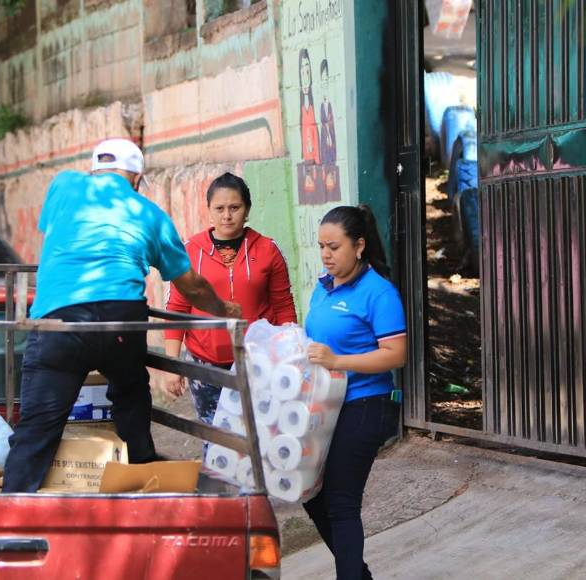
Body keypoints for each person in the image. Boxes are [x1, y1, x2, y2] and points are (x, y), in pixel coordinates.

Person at [2, 138, 241, 493]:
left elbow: (52, 231)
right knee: (130, 392)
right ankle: (143, 475)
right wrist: (224, 310)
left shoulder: (65, 185)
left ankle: (13, 507)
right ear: (136, 178)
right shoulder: (149, 213)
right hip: (121, 318)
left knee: (38, 425)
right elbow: (190, 286)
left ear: (94, 169)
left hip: (60, 320)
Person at [303, 205, 407, 580]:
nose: (326, 255)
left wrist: (337, 361)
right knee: (312, 495)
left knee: (341, 502)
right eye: (321, 247)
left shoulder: (378, 293)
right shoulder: (324, 285)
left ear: (359, 246)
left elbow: (396, 354)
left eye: (334, 247)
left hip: (367, 404)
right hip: (327, 404)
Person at [161, 172, 297, 425]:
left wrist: (288, 355)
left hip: (258, 362)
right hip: (205, 364)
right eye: (219, 208)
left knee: (260, 433)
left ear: (247, 210)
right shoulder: (189, 251)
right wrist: (172, 366)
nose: (227, 215)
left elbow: (283, 306)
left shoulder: (268, 249)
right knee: (216, 439)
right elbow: (176, 309)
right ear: (209, 211)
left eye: (234, 207)